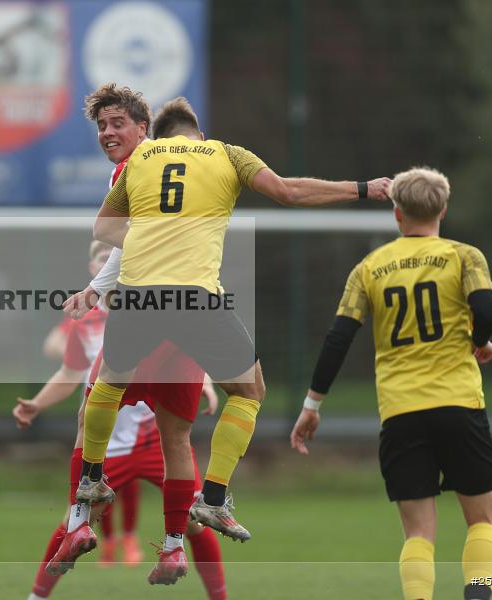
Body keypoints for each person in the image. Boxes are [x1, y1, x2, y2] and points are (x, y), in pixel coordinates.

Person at [73, 97, 391, 546]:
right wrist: (363, 188)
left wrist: (154, 233)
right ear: (197, 134)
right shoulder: (225, 153)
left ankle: (90, 477)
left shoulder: (140, 158)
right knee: (248, 390)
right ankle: (215, 498)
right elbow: (288, 192)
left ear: (157, 136)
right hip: (193, 296)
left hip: (137, 293)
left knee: (108, 383)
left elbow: (104, 229)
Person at [17, 84, 228, 597]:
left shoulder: (148, 166)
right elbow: (135, 243)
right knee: (93, 419)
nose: (109, 133)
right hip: (158, 338)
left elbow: (145, 244)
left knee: (105, 421)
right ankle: (57, 564)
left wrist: (97, 287)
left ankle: (102, 529)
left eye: (118, 125)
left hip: (159, 339)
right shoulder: (141, 174)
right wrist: (95, 289)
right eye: (102, 127)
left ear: (143, 129)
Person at [290, 167, 492, 600]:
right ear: (442, 209)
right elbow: (489, 309)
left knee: (418, 534)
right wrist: (480, 341)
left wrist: (312, 405)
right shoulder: (465, 256)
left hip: (401, 414)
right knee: (482, 522)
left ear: (396, 214)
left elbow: (337, 339)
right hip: (459, 405)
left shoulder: (368, 268)